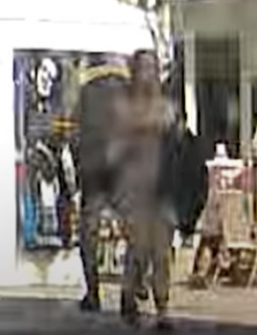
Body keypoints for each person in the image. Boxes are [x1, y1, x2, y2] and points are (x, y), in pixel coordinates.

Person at [114, 50, 175, 329]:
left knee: (162, 251)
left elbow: (173, 129)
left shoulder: (165, 106)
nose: (150, 75)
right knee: (138, 247)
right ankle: (129, 294)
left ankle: (163, 310)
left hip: (163, 187)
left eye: (154, 69)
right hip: (133, 188)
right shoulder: (124, 108)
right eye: (145, 69)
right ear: (135, 73)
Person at [75, 54, 129, 311]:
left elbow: (75, 129)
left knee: (89, 231)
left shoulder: (86, 90)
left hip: (94, 167)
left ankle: (93, 293)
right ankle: (129, 294)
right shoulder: (129, 90)